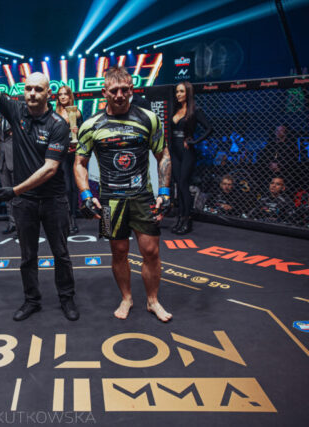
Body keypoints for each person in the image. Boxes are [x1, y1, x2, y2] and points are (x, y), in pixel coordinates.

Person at [0, 53, 79, 322]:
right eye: (28, 88)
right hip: (25, 202)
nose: (31, 93)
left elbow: (50, 168)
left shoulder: (58, 125)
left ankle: (66, 298)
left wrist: (15, 190)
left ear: (48, 94)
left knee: (61, 254)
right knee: (27, 256)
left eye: (38, 89)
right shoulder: (16, 110)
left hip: (53, 199)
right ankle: (32, 301)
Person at [74, 66, 173, 323]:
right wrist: (86, 195)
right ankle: (127, 298)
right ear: (104, 92)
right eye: (114, 90)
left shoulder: (149, 119)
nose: (119, 95)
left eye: (124, 90)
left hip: (143, 197)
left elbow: (163, 155)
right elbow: (79, 163)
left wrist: (164, 191)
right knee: (118, 252)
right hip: (110, 200)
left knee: (151, 251)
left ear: (131, 90)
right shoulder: (91, 125)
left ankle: (153, 301)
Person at [170, 81, 212, 234]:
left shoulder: (195, 110)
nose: (178, 94)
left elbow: (209, 128)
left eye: (181, 91)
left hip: (187, 151)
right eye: (177, 91)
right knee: (178, 186)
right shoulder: (176, 109)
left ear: (188, 92)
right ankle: (180, 218)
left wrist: (194, 141)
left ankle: (187, 220)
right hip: (174, 150)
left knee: (183, 185)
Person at [55, 85, 83, 235]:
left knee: (74, 187)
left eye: (65, 94)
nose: (63, 96)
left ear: (70, 95)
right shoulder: (54, 114)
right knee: (65, 187)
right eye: (60, 94)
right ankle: (65, 218)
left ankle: (73, 218)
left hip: (76, 153)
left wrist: (78, 131)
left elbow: (84, 133)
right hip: (61, 154)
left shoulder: (77, 112)